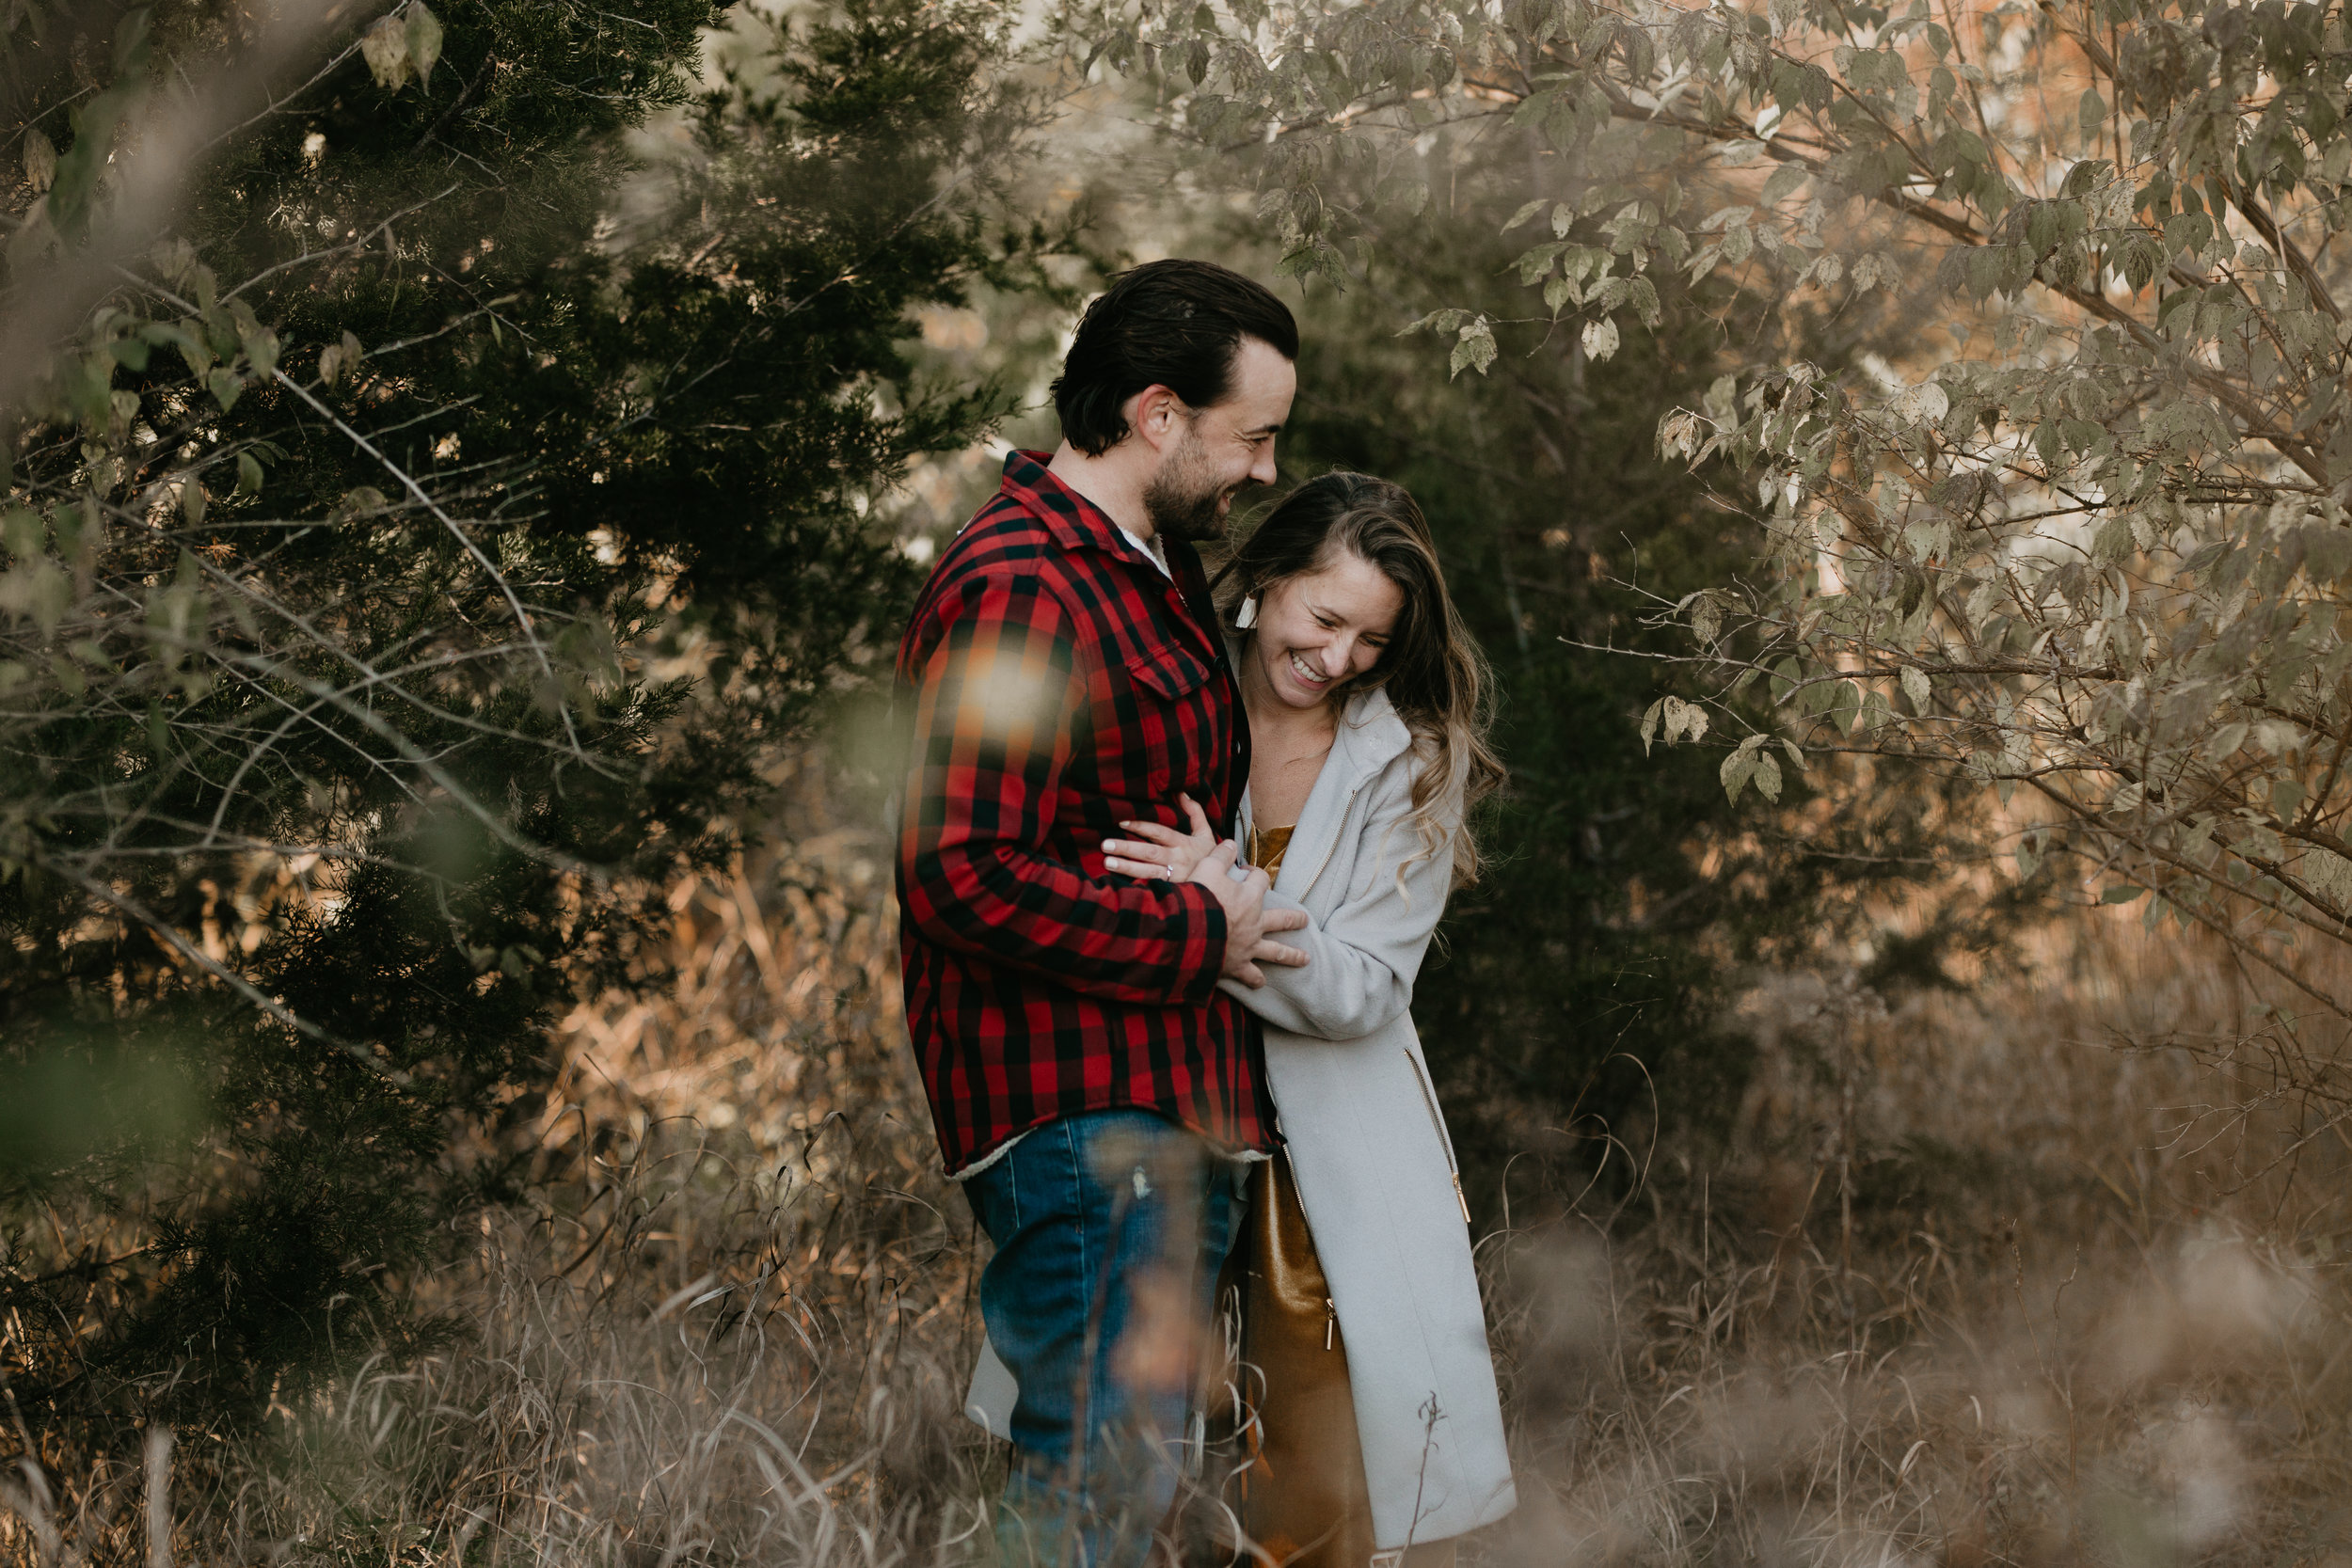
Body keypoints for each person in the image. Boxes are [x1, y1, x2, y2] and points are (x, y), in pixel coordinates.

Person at [895, 259, 1311, 1568]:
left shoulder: (1146, 561)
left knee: (1131, 1497)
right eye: (1254, 435)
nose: (1262, 469)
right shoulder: (1020, 583)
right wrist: (1203, 935)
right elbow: (959, 868)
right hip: (1082, 1121)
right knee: (1092, 1495)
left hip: (1164, 1107)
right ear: (1158, 414)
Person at [1097, 472, 1516, 1566]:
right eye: (1323, 619)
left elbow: (1366, 986)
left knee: (1313, 1467)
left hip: (1322, 1156)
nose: (1337, 659)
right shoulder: (1171, 697)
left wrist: (1220, 898)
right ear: (1270, 579)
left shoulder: (1414, 761)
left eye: (1371, 640)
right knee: (1134, 1446)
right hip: (1157, 1105)